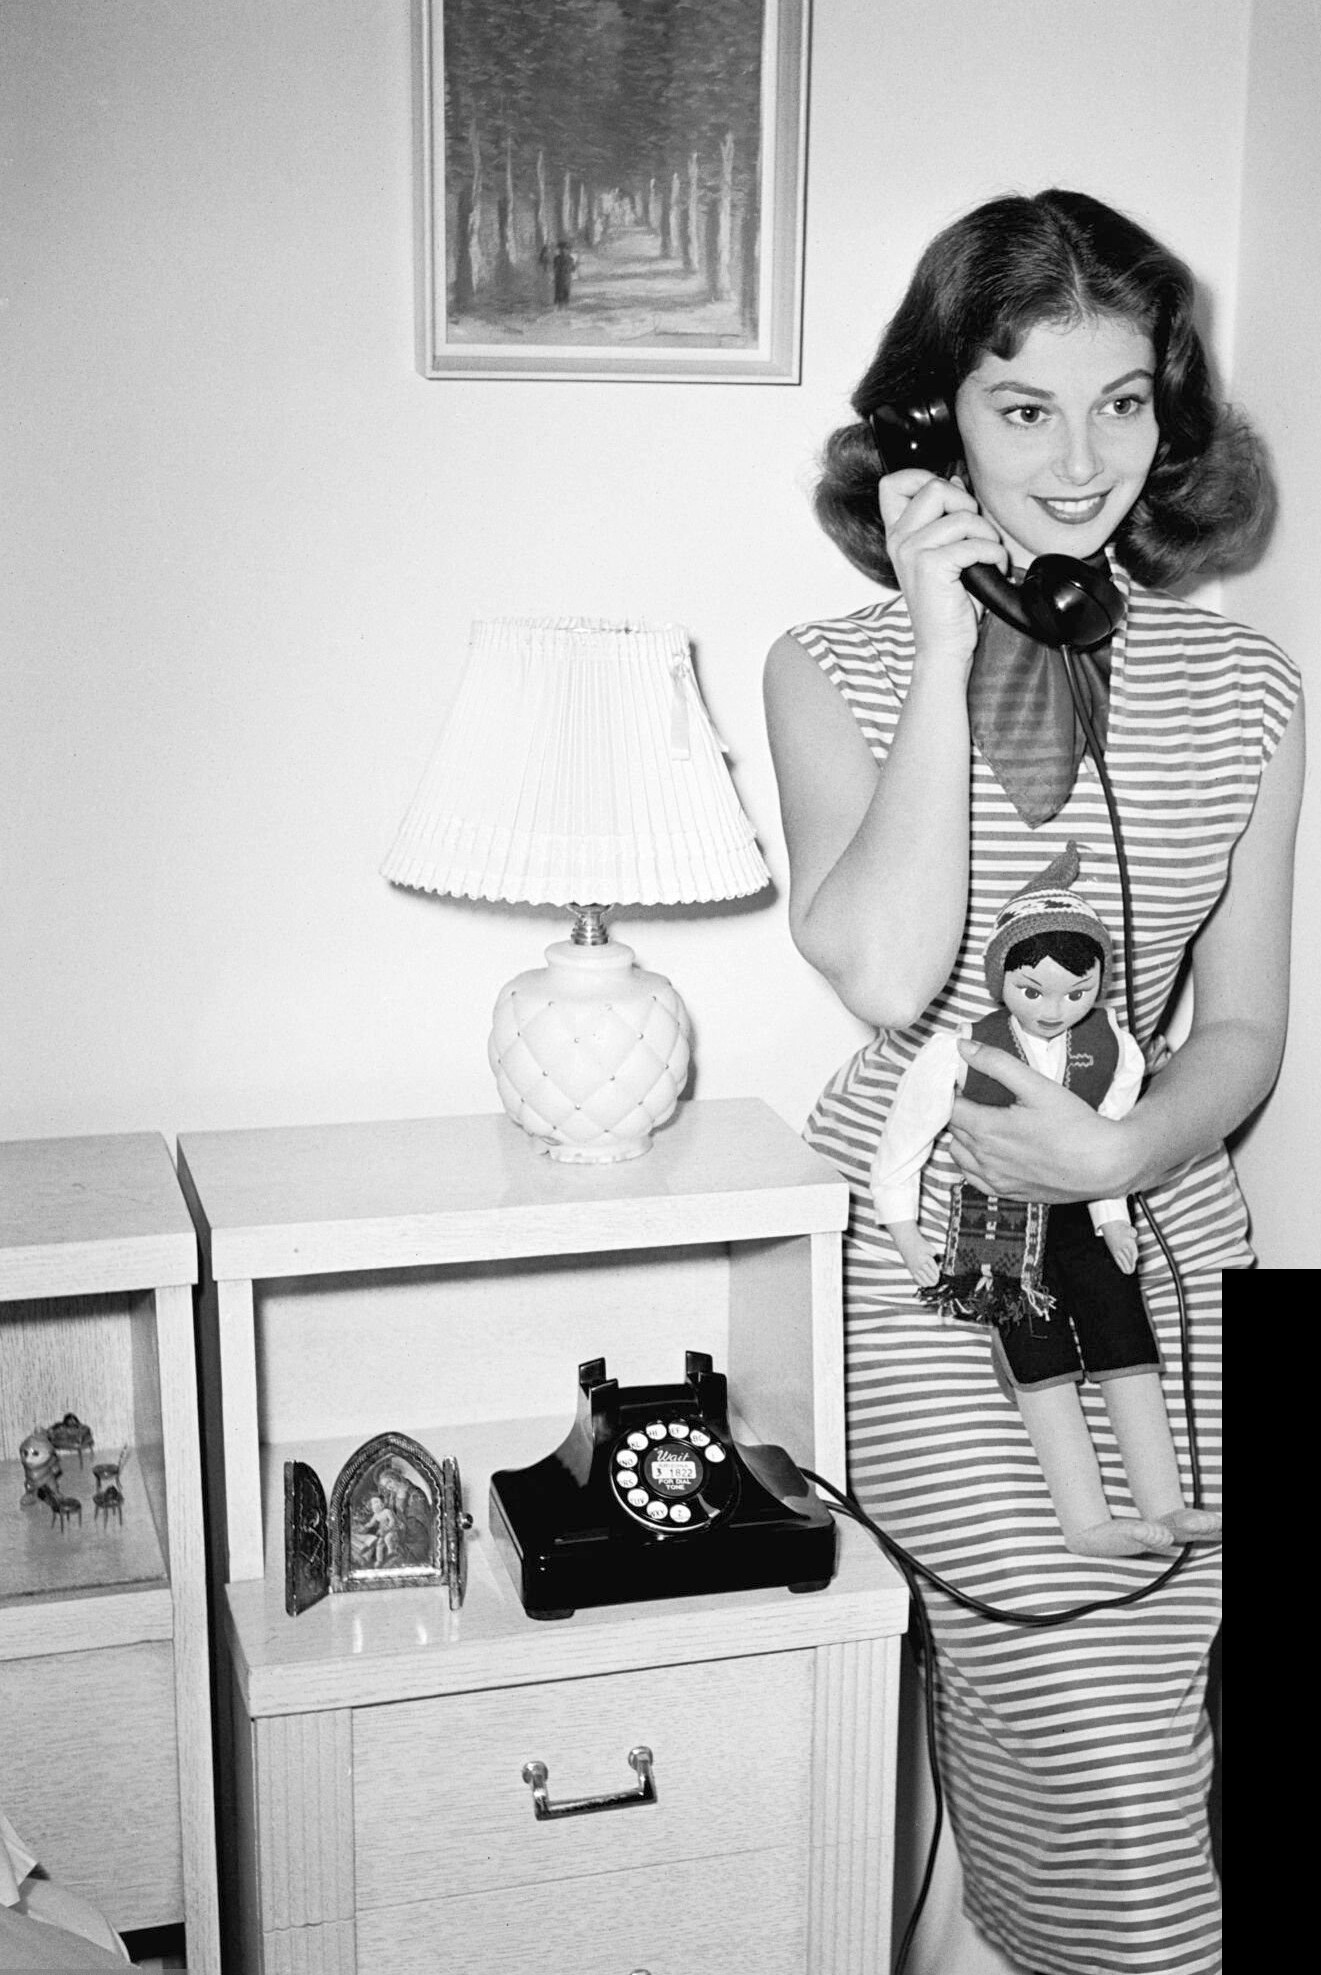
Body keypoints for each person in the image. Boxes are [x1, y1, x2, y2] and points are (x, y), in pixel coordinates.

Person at [764, 188, 1301, 1974]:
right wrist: (940, 642)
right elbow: (882, 970)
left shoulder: (1246, 685)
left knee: (1182, 1700)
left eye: (1121, 401)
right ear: (932, 419)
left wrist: (1121, 1150)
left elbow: (1242, 1030)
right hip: (938, 1256)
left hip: (1163, 1222)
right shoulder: (827, 671)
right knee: (1074, 1696)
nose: (1080, 460)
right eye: (1022, 406)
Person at [871, 838, 1223, 1559]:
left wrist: (1112, 1214)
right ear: (1001, 979)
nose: (1055, 1009)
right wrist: (908, 1237)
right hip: (995, 1221)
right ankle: (1084, 1521)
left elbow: (1110, 1135)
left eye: (1076, 991)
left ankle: (1164, 1500)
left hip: (1084, 1211)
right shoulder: (959, 1050)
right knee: (1041, 1359)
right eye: (1032, 991)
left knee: (1126, 1341)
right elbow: (900, 1148)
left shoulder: (1114, 1046)